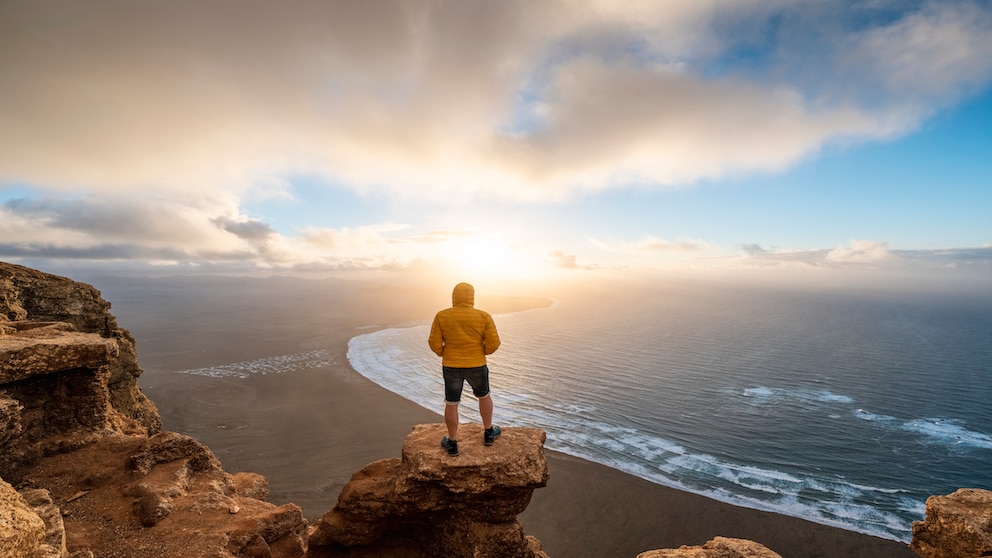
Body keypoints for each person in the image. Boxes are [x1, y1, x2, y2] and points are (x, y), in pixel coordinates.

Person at [428, 282, 501, 456]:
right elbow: (494, 343)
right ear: (472, 298)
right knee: (484, 396)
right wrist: (481, 352)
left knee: (451, 403)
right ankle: (489, 432)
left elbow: (434, 342)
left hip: (451, 365)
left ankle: (452, 442)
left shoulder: (442, 316)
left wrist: (443, 353)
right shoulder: (483, 316)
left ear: (454, 297)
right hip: (477, 364)